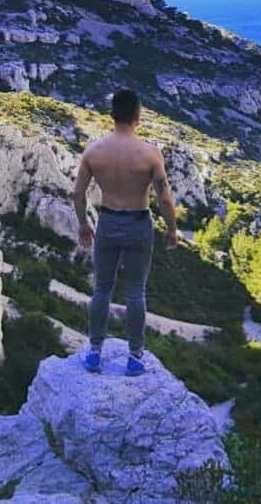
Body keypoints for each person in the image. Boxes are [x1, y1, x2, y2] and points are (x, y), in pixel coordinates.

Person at [72, 88, 179, 376]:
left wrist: (83, 223)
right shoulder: (150, 154)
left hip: (107, 222)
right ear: (138, 116)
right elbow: (165, 197)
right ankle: (134, 357)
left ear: (112, 115)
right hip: (138, 224)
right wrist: (172, 229)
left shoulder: (94, 151)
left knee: (102, 289)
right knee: (135, 292)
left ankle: (94, 352)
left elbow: (78, 193)